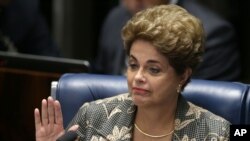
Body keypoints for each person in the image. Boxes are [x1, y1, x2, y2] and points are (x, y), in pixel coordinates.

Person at [34, 5, 230, 140]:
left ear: (183, 76)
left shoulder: (218, 132)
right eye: (133, 65)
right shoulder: (92, 117)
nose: (138, 77)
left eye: (153, 69)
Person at [94, 0, 241, 81]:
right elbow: (101, 78)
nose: (133, 4)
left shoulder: (213, 33)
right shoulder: (115, 19)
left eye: (154, 69)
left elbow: (208, 104)